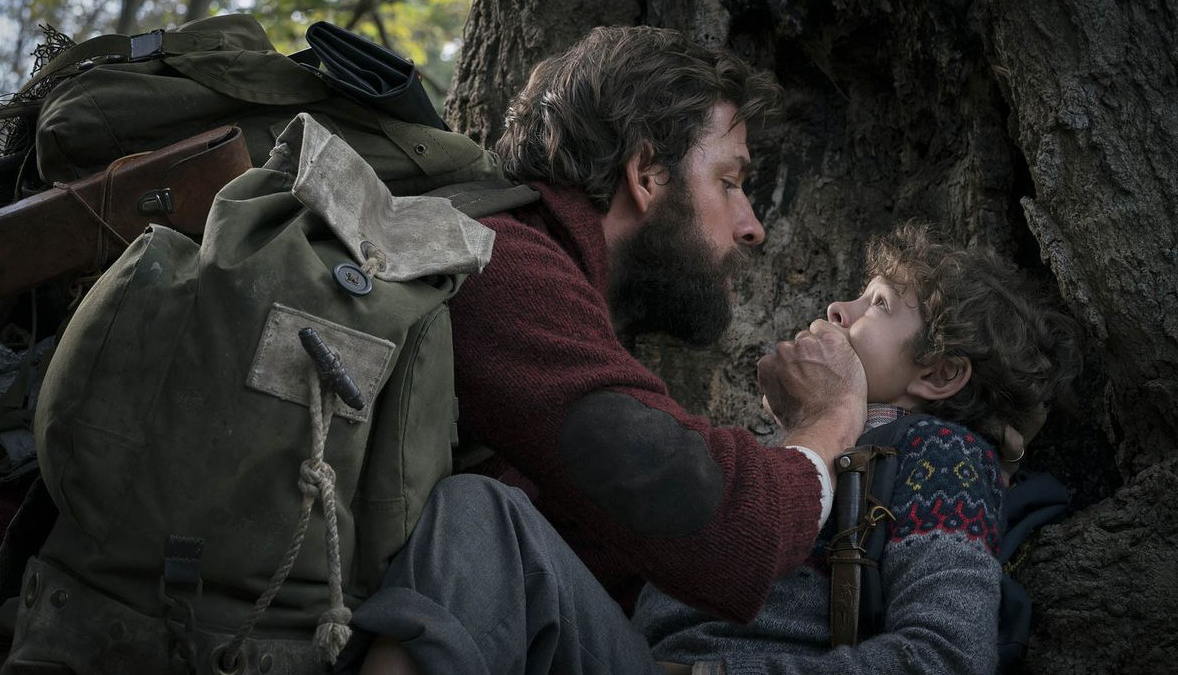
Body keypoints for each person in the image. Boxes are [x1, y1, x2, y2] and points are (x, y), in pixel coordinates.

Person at [334, 24, 869, 674]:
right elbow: (726, 527)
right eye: (730, 182)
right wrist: (828, 422)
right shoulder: (501, 266)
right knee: (481, 520)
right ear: (646, 174)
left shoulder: (553, 284)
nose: (752, 226)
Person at [630, 223, 1082, 674]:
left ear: (939, 374)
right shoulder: (803, 447)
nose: (837, 308)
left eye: (879, 303)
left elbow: (947, 658)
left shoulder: (942, 455)